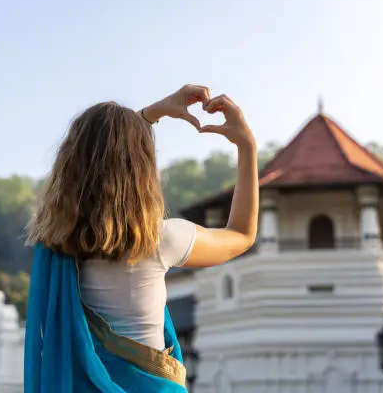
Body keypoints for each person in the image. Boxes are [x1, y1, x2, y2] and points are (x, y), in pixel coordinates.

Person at [24, 84, 259, 392]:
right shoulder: (162, 240)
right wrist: (247, 148)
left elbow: (100, 149)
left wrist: (149, 115)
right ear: (143, 167)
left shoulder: (55, 240)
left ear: (68, 166)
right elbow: (241, 234)